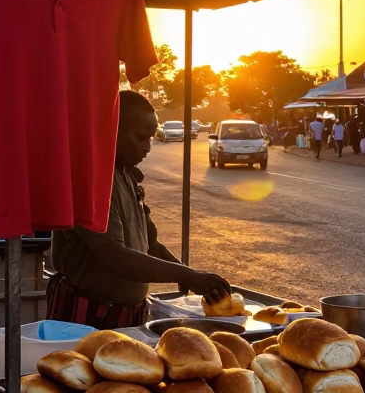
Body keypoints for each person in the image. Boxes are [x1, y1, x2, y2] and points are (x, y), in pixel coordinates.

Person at [48, 91, 231, 328]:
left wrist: (191, 275)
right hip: (84, 315)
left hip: (127, 314)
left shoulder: (127, 176)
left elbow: (150, 245)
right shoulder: (87, 179)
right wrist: (186, 275)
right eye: (141, 138)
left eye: (151, 138)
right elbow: (113, 255)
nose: (147, 147)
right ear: (113, 131)